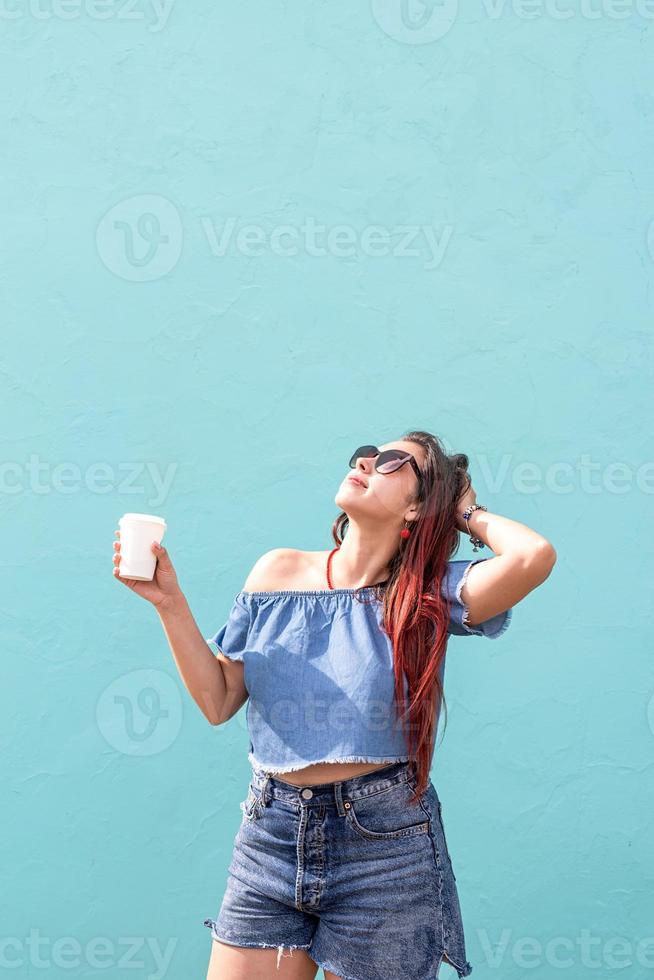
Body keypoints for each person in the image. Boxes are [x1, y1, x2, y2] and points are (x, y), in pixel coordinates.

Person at [113, 430, 556, 980]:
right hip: (271, 835)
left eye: (394, 462)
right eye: (366, 454)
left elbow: (533, 557)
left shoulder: (428, 593)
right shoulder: (276, 572)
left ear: (417, 506)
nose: (370, 462)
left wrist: (466, 511)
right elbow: (218, 699)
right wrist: (169, 602)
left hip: (385, 850)